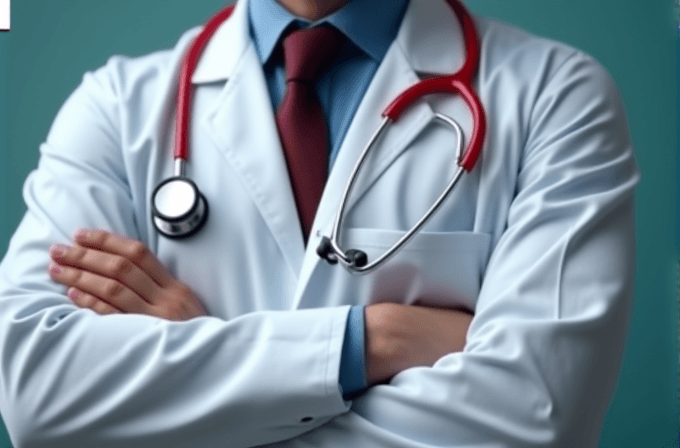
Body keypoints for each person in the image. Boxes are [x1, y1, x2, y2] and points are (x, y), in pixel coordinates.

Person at [0, 0, 638, 446]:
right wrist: (374, 342)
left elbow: (532, 419)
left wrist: (197, 400)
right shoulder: (116, 107)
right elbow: (39, 395)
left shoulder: (555, 96)